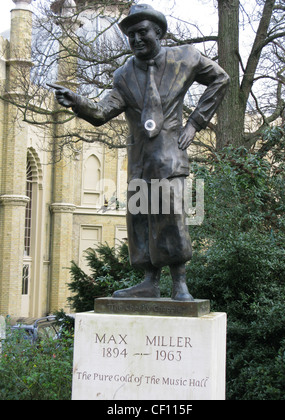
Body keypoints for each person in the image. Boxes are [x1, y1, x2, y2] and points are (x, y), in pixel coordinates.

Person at [49, 4, 229, 301]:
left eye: (142, 32)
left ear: (158, 32)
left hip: (169, 156)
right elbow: (102, 111)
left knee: (170, 216)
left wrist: (196, 123)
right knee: (140, 220)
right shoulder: (124, 74)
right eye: (131, 35)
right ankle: (148, 281)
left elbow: (220, 79)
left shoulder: (183, 58)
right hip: (139, 161)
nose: (136, 39)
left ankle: (179, 284)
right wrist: (77, 101)